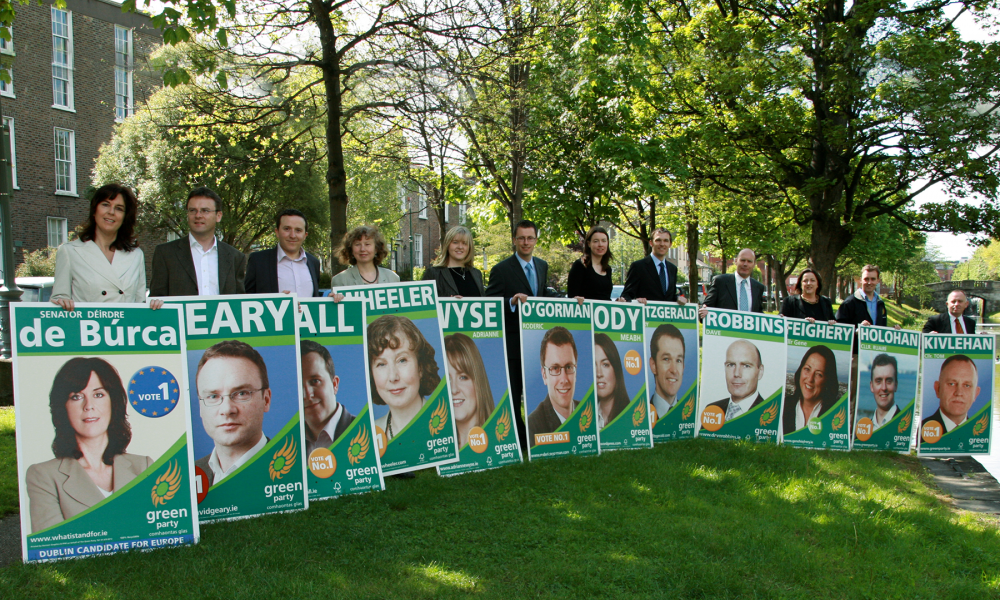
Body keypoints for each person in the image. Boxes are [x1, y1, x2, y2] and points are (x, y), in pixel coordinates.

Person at [26, 357, 152, 533]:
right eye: (76, 396)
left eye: (98, 394)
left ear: (113, 402)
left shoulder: (143, 466)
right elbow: (51, 543)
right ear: (63, 406)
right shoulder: (44, 476)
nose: (89, 406)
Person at [485, 219, 558, 448]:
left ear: (536, 240)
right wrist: (511, 302)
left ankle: (538, 434)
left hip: (536, 343)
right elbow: (490, 302)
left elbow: (541, 294)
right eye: (521, 238)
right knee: (515, 393)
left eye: (530, 238)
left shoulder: (542, 266)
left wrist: (568, 300)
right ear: (514, 240)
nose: (526, 242)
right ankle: (517, 438)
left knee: (537, 390)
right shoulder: (501, 269)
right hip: (514, 344)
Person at [50, 183, 162, 312]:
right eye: (105, 205)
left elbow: (140, 305)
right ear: (94, 210)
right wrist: (61, 302)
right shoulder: (70, 252)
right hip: (89, 329)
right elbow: (58, 303)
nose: (111, 212)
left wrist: (154, 307)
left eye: (119, 208)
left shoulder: (136, 255)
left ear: (125, 217)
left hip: (124, 329)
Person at [194, 340, 272, 487]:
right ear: (200, 407)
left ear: (266, 400)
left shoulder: (295, 467)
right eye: (213, 396)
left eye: (241, 393)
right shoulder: (188, 476)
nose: (227, 410)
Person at [149, 187, 247, 297]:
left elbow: (240, 303)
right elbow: (157, 298)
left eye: (205, 210)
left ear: (218, 216)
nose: (198, 215)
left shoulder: (235, 257)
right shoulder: (166, 254)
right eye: (192, 210)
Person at [368, 315, 441, 441]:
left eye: (402, 360)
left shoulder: (450, 423)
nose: (393, 376)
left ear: (421, 367)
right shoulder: (369, 436)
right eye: (381, 364)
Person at [246, 208, 322, 297]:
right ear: (277, 232)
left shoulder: (314, 262)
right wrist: (276, 302)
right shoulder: (258, 261)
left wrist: (330, 302)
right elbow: (246, 299)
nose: (292, 235)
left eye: (298, 230)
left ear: (305, 235)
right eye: (287, 229)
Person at [300, 340, 355, 455]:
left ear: (335, 384)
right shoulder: (290, 443)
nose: (307, 395)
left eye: (315, 381)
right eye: (299, 386)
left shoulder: (363, 430)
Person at [445, 333, 496, 448]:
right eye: (447, 379)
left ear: (478, 382)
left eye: (463, 377)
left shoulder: (499, 440)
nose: (454, 389)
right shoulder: (437, 450)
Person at [527, 326, 579, 437]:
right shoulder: (533, 427)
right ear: (544, 375)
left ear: (576, 371)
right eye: (555, 368)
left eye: (569, 367)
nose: (564, 379)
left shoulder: (590, 412)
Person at [781, 345, 840, 435]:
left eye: (819, 374)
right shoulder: (783, 406)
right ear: (800, 370)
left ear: (827, 380)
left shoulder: (835, 413)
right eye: (807, 369)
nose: (810, 379)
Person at [621, 228, 687, 305]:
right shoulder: (638, 267)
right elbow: (626, 295)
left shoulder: (672, 269)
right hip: (645, 315)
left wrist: (678, 298)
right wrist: (637, 300)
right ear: (651, 243)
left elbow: (668, 296)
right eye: (658, 240)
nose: (662, 244)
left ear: (670, 244)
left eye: (666, 241)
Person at [706, 339, 767, 420]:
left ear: (760, 371)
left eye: (746, 366)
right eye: (731, 365)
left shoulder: (767, 414)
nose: (737, 374)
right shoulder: (712, 409)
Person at [698, 248, 764, 319]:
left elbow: (759, 315)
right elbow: (705, 308)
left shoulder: (758, 287)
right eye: (742, 260)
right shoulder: (720, 282)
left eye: (749, 261)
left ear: (754, 264)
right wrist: (703, 312)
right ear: (736, 261)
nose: (745, 264)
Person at [922, 355, 981, 434]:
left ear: (976, 394)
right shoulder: (924, 429)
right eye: (952, 384)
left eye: (967, 385)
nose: (959, 393)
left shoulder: (980, 433)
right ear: (937, 389)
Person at [423, 226, 484, 297]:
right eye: (455, 242)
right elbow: (424, 306)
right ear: (447, 245)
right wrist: (449, 303)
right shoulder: (434, 273)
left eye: (464, 243)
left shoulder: (476, 273)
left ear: (469, 247)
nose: (460, 247)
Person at [331, 225, 400, 287]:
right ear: (351, 249)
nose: (362, 249)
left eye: (367, 244)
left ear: (376, 248)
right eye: (357, 244)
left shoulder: (392, 278)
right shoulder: (340, 280)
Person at [648, 323, 686, 419]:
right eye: (666, 359)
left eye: (678, 360)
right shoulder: (641, 417)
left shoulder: (689, 415)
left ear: (683, 367)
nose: (674, 370)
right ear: (653, 365)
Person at [567, 226, 614, 301]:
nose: (600, 244)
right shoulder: (580, 265)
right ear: (589, 244)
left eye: (604, 241)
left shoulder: (608, 269)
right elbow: (572, 296)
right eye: (596, 241)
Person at [594, 333, 630, 429]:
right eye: (594, 365)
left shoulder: (630, 415)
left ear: (616, 369)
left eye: (605, 364)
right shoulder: (584, 417)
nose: (599, 373)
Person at [867, 354, 899, 430]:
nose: (884, 388)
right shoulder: (862, 434)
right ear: (872, 386)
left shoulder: (908, 427)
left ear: (896, 385)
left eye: (889, 381)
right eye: (878, 381)